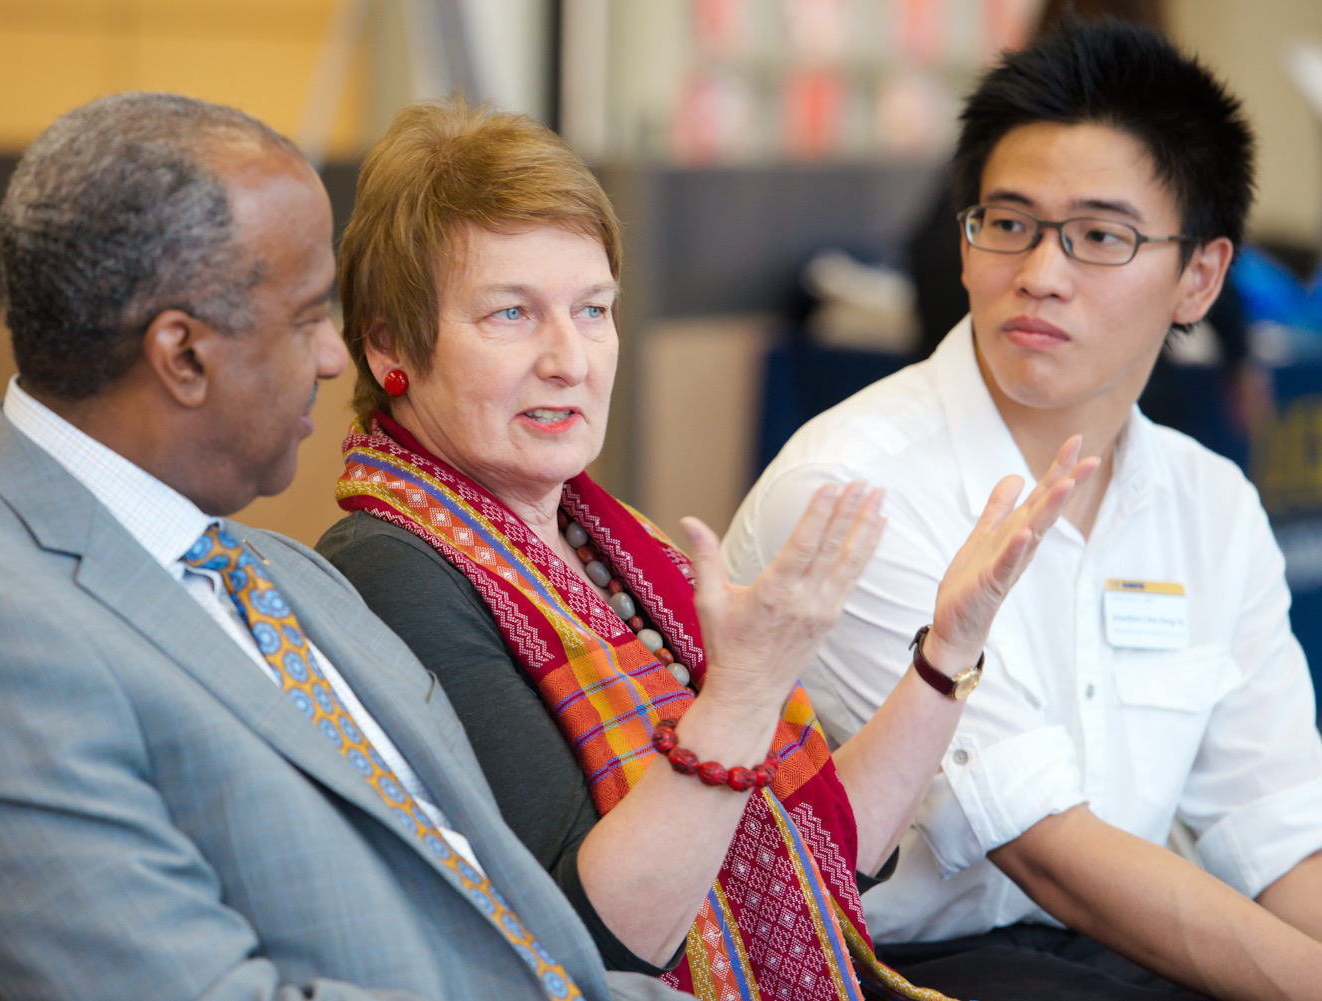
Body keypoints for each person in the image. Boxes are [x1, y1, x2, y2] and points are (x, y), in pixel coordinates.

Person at [0, 92, 695, 1001]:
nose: (334, 356)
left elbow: (528, 937)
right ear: (184, 355)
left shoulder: (281, 572)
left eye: (594, 310)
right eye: (305, 317)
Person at [316, 101, 1095, 1001]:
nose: (571, 358)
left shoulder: (605, 537)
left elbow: (833, 852)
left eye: (593, 309)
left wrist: (949, 647)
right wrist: (744, 693)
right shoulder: (390, 567)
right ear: (387, 344)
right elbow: (601, 941)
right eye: (511, 315)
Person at [723, 20, 1322, 1001]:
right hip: (892, 968)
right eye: (1007, 223)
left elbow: (1279, 832)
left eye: (1099, 236)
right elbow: (1041, 848)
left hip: (1114, 951)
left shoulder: (1208, 502)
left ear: (1201, 278)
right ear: (962, 245)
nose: (1040, 272)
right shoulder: (856, 486)